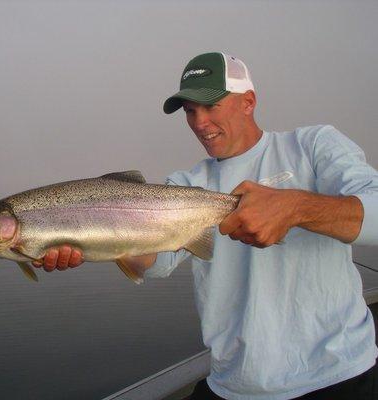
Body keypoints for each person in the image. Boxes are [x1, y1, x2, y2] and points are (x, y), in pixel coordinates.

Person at [33, 52, 378, 399]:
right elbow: (157, 264)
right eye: (190, 110)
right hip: (234, 383)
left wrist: (297, 206)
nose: (199, 122)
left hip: (339, 377)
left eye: (211, 105)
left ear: (249, 101)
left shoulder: (312, 146)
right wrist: (99, 241)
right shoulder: (186, 183)